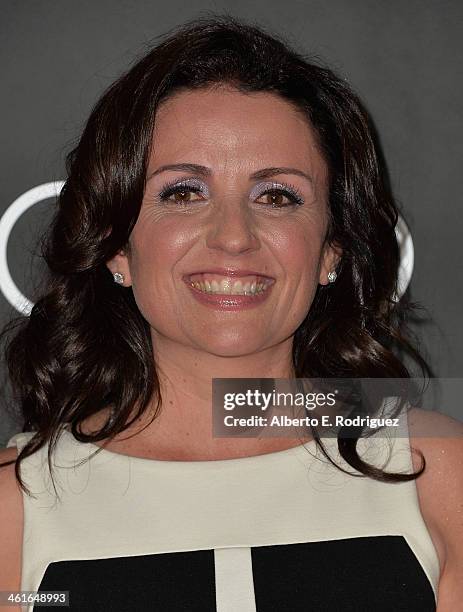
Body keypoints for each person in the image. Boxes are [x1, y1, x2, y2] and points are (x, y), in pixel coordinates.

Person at [0, 14, 462, 612]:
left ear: (330, 251)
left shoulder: (436, 475)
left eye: (277, 196)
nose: (233, 237)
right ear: (118, 247)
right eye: (184, 192)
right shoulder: (18, 506)